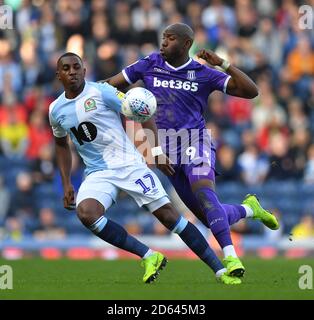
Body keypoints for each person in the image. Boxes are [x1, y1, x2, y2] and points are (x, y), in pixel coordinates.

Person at [49, 52, 241, 285]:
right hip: (98, 172)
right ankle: (149, 256)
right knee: (87, 213)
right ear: (58, 75)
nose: (72, 72)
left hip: (130, 165)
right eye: (66, 68)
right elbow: (61, 144)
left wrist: (156, 151)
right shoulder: (56, 110)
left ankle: (221, 271)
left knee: (171, 218)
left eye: (77, 67)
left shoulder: (101, 92)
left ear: (84, 70)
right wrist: (67, 182)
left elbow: (142, 110)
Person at [106, 23, 280, 278]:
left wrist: (222, 63)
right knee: (210, 215)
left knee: (204, 192)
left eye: (171, 38)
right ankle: (250, 209)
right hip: (166, 152)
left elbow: (251, 91)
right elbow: (111, 85)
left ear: (186, 44)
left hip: (195, 141)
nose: (164, 42)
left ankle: (231, 258)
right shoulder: (149, 63)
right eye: (163, 37)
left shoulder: (203, 73)